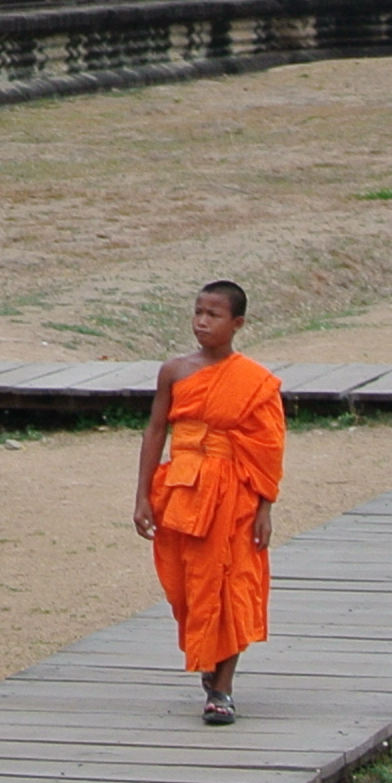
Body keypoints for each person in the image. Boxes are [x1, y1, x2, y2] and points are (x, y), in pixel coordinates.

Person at [131, 279, 284, 723]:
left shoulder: (254, 382)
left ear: (237, 324)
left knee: (231, 582)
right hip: (181, 488)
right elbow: (156, 430)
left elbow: (268, 447)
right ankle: (208, 657)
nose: (201, 322)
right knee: (188, 586)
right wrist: (142, 495)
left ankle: (222, 689)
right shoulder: (175, 371)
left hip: (234, 494)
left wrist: (265, 507)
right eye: (198, 312)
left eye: (213, 315)